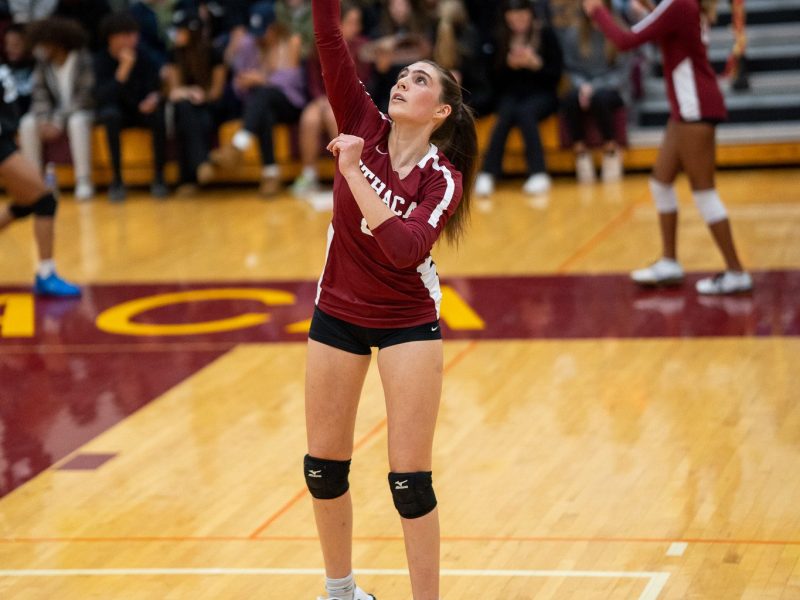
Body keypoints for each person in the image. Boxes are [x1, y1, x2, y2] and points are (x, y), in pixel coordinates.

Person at [306, 0, 478, 598]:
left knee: (410, 483)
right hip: (338, 312)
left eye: (421, 80)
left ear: (441, 112)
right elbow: (328, 37)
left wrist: (354, 172)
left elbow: (404, 249)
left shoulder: (442, 177)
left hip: (407, 321)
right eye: (404, 76)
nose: (405, 82)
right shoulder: (361, 120)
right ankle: (342, 592)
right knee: (323, 471)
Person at [584, 0, 753, 294]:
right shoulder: (686, 5)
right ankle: (669, 262)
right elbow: (665, 27)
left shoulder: (678, 4)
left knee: (704, 192)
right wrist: (647, 9)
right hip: (689, 109)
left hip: (695, 108)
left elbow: (625, 41)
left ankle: (736, 271)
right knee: (661, 183)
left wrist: (597, 11)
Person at [0, 59, 81, 296]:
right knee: (44, 198)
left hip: (6, 139)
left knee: (26, 203)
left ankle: (46, 273)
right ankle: (46, 273)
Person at [210, 1, 305, 197]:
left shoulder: (291, 42)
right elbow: (238, 81)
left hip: (289, 102)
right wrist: (244, 83)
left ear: (274, 27)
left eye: (263, 31)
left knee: (263, 93)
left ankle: (239, 146)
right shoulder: (248, 43)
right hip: (260, 104)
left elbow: (292, 81)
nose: (259, 37)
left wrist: (262, 78)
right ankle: (270, 174)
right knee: (263, 110)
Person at [473, 0, 563, 197]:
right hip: (511, 96)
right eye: (513, 17)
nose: (518, 21)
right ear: (506, 18)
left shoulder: (546, 35)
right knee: (505, 113)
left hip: (542, 95)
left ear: (531, 15)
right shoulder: (499, 39)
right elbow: (492, 81)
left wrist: (536, 64)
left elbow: (556, 76)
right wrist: (508, 65)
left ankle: (538, 172)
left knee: (525, 112)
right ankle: (488, 173)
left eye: (523, 16)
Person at [291, 0, 370, 198]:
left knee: (331, 116)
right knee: (310, 118)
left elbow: (363, 82)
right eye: (352, 22)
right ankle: (309, 174)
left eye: (358, 22)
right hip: (323, 100)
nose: (357, 27)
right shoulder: (320, 46)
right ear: (338, 23)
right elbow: (313, 80)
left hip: (351, 102)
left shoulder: (364, 47)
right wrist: (319, 99)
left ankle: (348, 177)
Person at [18, 17, 95, 201]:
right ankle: (35, 182)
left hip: (82, 110)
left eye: (44, 44)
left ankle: (83, 180)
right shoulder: (43, 64)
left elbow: (85, 97)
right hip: (53, 115)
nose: (40, 48)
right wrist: (44, 120)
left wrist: (58, 121)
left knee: (77, 122)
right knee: (27, 123)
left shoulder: (83, 60)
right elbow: (39, 94)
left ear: (57, 42)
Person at [94, 11, 168, 201]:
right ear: (112, 38)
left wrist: (154, 98)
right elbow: (103, 97)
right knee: (111, 116)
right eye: (126, 35)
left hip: (141, 109)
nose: (132, 40)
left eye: (134, 34)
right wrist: (123, 71)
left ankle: (159, 178)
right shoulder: (101, 60)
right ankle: (117, 180)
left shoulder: (144, 55)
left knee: (158, 116)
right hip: (116, 111)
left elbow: (157, 88)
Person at [560, 0, 628, 183]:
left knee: (600, 99)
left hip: (611, 88)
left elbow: (622, 73)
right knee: (570, 99)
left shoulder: (618, 30)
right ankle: (580, 151)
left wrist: (594, 87)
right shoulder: (573, 33)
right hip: (582, 86)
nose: (591, 6)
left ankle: (611, 149)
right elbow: (570, 68)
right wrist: (582, 86)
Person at [164, 5, 227, 195]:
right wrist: (188, 92)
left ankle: (188, 179)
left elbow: (217, 92)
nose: (176, 34)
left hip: (211, 106)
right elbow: (174, 90)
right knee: (184, 110)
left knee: (198, 118)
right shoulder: (174, 54)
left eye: (180, 30)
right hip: (186, 106)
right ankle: (201, 164)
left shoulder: (214, 52)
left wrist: (202, 95)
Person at [3, 24, 36, 115]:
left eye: (16, 44)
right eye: (7, 44)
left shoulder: (38, 68)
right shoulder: (3, 70)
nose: (9, 49)